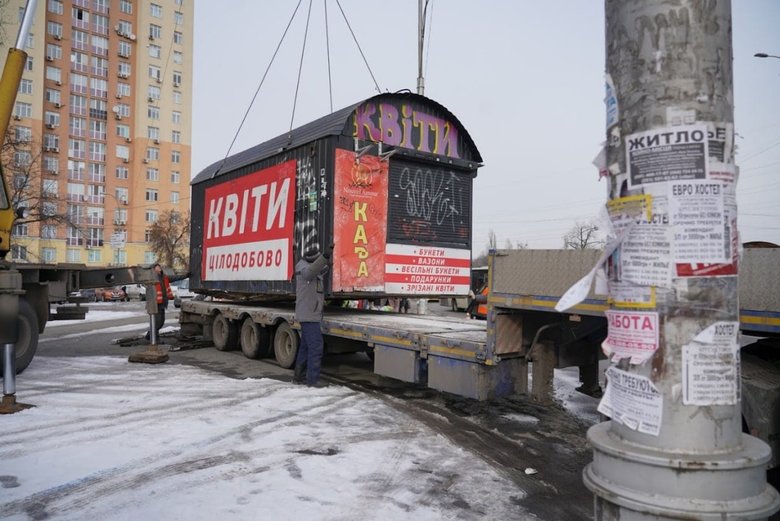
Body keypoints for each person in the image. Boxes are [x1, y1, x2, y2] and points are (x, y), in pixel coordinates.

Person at [292, 244, 333, 387]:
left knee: (305, 347)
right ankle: (312, 381)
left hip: (310, 314)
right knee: (316, 347)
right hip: (308, 315)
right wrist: (325, 256)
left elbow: (321, 269)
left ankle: (299, 377)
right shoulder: (304, 268)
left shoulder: (310, 269)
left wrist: (329, 261)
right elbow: (311, 271)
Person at [145, 263, 174, 342]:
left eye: (159, 267)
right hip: (155, 303)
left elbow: (175, 277)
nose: (159, 268)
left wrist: (186, 276)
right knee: (157, 322)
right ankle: (153, 336)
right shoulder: (151, 278)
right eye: (157, 267)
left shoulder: (164, 277)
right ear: (153, 269)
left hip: (163, 302)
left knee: (161, 322)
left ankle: (152, 335)